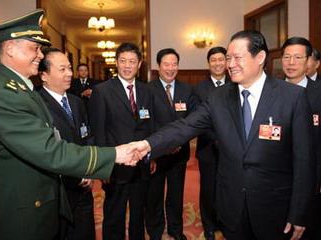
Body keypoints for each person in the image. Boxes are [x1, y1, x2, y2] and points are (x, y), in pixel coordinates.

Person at [0, 9, 141, 240]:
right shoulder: (2, 94)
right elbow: (49, 149)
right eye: (35, 48)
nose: (40, 55)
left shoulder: (17, 89)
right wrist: (114, 155)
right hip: (19, 213)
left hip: (36, 201)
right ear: (10, 48)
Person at [134, 30, 315, 240]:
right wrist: (147, 145)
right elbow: (184, 126)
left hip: (275, 209)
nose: (230, 64)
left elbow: (304, 161)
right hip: (231, 207)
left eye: (237, 57)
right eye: (229, 58)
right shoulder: (219, 98)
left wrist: (299, 212)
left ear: (260, 58)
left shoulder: (292, 97)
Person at [89, 42, 154, 240]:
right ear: (116, 62)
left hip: (141, 163)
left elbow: (148, 126)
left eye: (132, 61)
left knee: (138, 212)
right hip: (115, 166)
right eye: (123, 61)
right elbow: (98, 131)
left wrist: (151, 155)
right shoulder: (102, 91)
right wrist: (103, 165)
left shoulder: (146, 91)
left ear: (139, 64)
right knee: (114, 213)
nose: (127, 66)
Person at [37, 47, 96, 240]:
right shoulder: (37, 105)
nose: (70, 73)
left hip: (84, 185)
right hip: (58, 190)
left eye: (70, 68)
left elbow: (86, 136)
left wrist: (89, 169)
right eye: (62, 69)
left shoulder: (76, 102)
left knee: (85, 232)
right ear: (44, 75)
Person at [145, 48, 196, 240]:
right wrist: (157, 149)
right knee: (154, 195)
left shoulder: (186, 89)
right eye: (166, 64)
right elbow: (146, 123)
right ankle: (155, 231)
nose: (171, 68)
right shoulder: (148, 90)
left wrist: (180, 141)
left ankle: (176, 230)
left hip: (179, 153)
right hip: (156, 154)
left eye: (174, 64)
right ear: (158, 67)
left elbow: (192, 119)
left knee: (176, 195)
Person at [281, 37, 321, 240]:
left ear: (309, 61)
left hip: (313, 180)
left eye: (297, 57)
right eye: (286, 57)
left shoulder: (318, 93)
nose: (291, 62)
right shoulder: (272, 92)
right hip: (277, 180)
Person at [194, 46, 230, 240]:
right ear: (208, 64)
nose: (217, 63)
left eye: (221, 59)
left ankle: (225, 221)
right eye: (213, 60)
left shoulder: (236, 83)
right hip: (208, 146)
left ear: (226, 62)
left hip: (233, 149)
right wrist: (217, 138)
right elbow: (199, 120)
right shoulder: (199, 88)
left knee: (228, 186)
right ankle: (209, 225)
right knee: (208, 188)